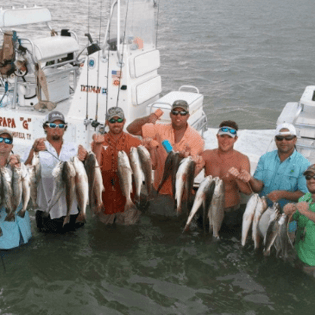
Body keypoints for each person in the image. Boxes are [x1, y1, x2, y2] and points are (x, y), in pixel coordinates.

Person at [127, 100, 204, 216]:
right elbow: (131, 129)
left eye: (182, 113)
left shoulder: (196, 138)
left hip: (181, 193)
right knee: (157, 223)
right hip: (160, 190)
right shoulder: (159, 129)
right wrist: (148, 118)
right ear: (170, 115)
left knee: (178, 225)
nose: (178, 116)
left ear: (188, 116)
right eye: (175, 112)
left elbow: (190, 170)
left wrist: (183, 158)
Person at [23, 111, 87, 232]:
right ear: (45, 127)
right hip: (47, 211)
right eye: (52, 125)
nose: (57, 129)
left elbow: (83, 175)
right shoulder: (35, 147)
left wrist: (85, 157)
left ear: (65, 128)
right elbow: (24, 170)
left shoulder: (74, 148)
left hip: (72, 210)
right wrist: (34, 151)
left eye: (61, 126)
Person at [91, 107, 150, 224]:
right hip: (105, 201)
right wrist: (97, 147)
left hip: (127, 204)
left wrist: (150, 149)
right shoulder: (98, 141)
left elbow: (151, 165)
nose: (116, 124)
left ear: (124, 121)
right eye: (112, 121)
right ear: (107, 122)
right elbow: (95, 167)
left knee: (128, 236)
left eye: (119, 120)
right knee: (102, 235)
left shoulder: (134, 142)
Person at [241, 123, 310, 209]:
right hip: (262, 208)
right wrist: (250, 179)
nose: (283, 141)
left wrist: (283, 194)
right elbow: (257, 188)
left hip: (286, 213)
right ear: (275, 140)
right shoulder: (265, 158)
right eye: (279, 138)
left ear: (294, 140)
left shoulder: (304, 164)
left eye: (288, 138)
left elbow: (305, 194)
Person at [199, 120, 252, 227]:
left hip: (230, 213)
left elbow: (247, 191)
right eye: (222, 136)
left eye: (229, 137)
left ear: (235, 139)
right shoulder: (206, 155)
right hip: (207, 209)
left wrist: (237, 178)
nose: (225, 140)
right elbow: (190, 176)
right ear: (217, 136)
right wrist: (192, 163)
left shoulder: (242, 159)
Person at [0, 129, 32, 249]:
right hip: (4, 241)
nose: (3, 143)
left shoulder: (19, 166)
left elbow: (31, 188)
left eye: (7, 140)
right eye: (0, 139)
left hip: (25, 235)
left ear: (11, 146)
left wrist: (17, 169)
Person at [284, 164, 315, 275]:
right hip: (297, 254)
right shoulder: (304, 198)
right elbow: (294, 225)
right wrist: (289, 214)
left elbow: (305, 213)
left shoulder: (304, 207)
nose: (311, 180)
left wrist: (306, 212)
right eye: (308, 177)